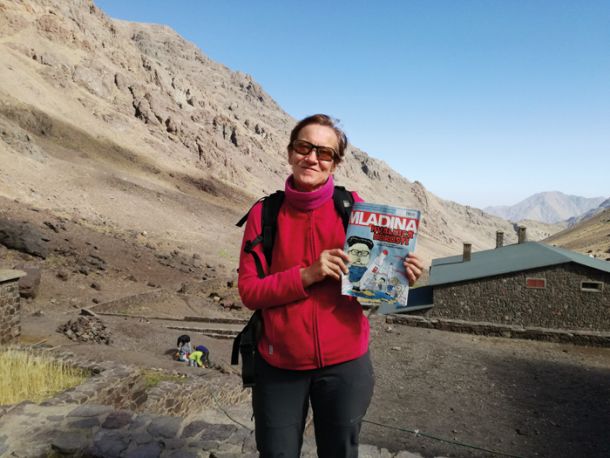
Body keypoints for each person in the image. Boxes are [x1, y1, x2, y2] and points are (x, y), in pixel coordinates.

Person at [238, 114, 423, 458]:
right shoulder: (264, 213)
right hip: (280, 365)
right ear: (290, 151)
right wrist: (306, 275)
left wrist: (401, 273)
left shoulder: (352, 208)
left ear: (335, 162)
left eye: (324, 153)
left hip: (346, 364)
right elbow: (250, 292)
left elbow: (371, 287)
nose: (312, 158)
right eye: (304, 147)